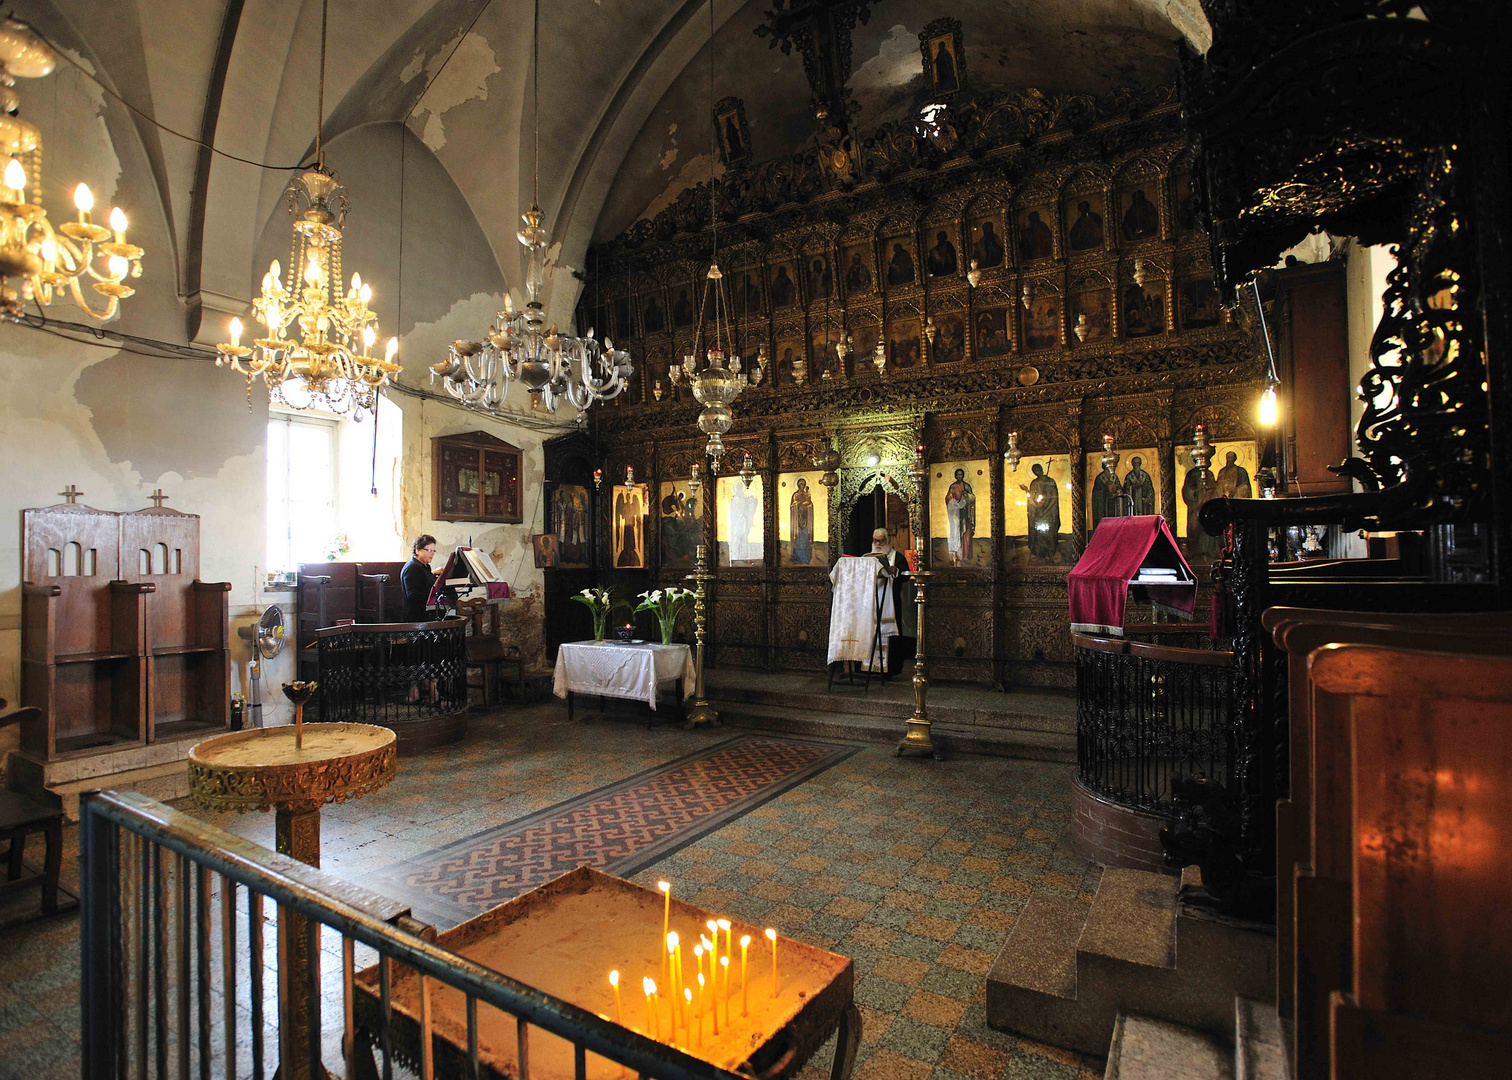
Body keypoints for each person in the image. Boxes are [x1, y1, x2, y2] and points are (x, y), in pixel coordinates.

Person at [870, 527, 914, 673]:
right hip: (871, 604)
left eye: (881, 540)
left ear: (888, 541)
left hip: (891, 604)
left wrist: (895, 571)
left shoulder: (897, 557)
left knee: (891, 635)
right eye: (875, 540)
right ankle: (869, 668)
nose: (878, 543)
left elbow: (906, 575)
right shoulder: (868, 558)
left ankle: (890, 669)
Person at [1022, 462, 1061, 557]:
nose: (1037, 472)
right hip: (1037, 511)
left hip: (1048, 512)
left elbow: (1053, 498)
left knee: (1049, 533)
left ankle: (1051, 554)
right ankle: (1039, 554)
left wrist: (1045, 510)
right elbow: (1031, 498)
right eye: (1034, 471)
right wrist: (1027, 491)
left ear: (1042, 469)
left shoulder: (1050, 481)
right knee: (1038, 534)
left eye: (1038, 469)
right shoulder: (1034, 483)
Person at [402, 534, 439, 622]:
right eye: (429, 550)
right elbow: (413, 596)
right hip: (415, 617)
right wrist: (435, 596)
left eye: (434, 551)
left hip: (425, 611)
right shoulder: (412, 568)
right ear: (417, 550)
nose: (432, 554)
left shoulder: (425, 567)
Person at [945, 468, 976, 564]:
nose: (959, 476)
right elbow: (948, 499)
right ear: (955, 475)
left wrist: (965, 494)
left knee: (965, 534)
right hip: (955, 514)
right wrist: (952, 497)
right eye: (957, 474)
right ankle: (956, 556)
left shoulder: (967, 486)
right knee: (956, 533)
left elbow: (972, 498)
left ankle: (965, 555)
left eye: (961, 474)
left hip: (966, 514)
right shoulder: (953, 486)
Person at [790, 478, 814, 564]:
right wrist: (799, 504)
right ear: (797, 485)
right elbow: (793, 505)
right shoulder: (795, 495)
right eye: (800, 485)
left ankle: (806, 559)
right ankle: (797, 559)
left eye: (803, 484)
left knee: (805, 538)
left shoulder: (807, 494)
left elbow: (810, 504)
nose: (801, 486)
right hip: (797, 520)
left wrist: (807, 505)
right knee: (798, 539)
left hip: (806, 519)